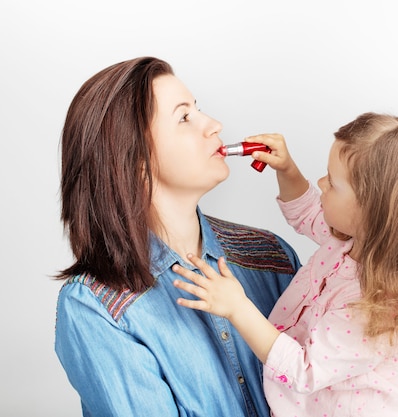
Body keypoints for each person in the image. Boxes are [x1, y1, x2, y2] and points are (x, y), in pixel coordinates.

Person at [173, 112, 398, 417]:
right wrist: (288, 171)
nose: (322, 183)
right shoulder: (352, 240)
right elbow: (308, 211)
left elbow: (303, 371)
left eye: (334, 183)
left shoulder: (376, 306)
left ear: (372, 212)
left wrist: (236, 308)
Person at [54, 56, 301, 417]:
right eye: (185, 117)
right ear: (134, 159)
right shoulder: (94, 307)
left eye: (198, 110)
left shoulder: (272, 257)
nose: (215, 125)